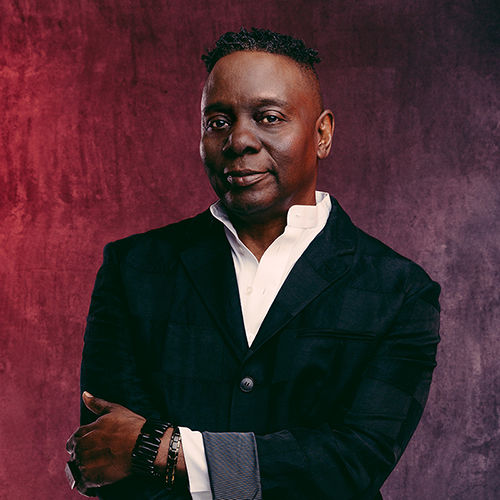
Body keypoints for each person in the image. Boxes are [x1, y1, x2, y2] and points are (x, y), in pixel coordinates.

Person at [66, 28, 441, 500]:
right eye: (218, 121)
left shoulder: (400, 291)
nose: (239, 140)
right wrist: (161, 453)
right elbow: (106, 457)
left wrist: (168, 450)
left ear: (322, 134)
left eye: (269, 117)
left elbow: (354, 463)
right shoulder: (133, 268)